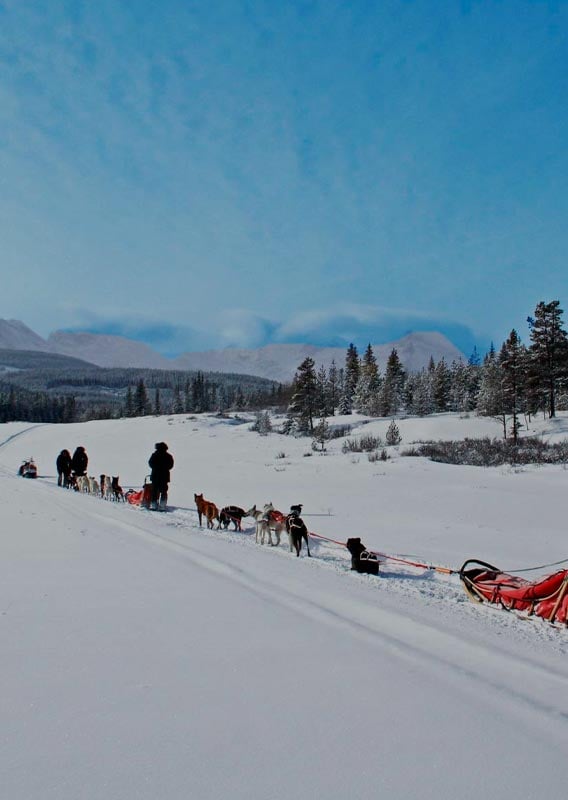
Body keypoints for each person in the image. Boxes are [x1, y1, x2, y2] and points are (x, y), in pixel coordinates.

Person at [148, 441, 174, 510]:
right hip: (164, 476)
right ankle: (162, 505)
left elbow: (150, 463)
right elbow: (171, 465)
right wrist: (164, 468)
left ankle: (154, 505)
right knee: (164, 490)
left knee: (154, 490)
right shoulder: (169, 456)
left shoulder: (154, 455)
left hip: (155, 475)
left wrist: (156, 467)